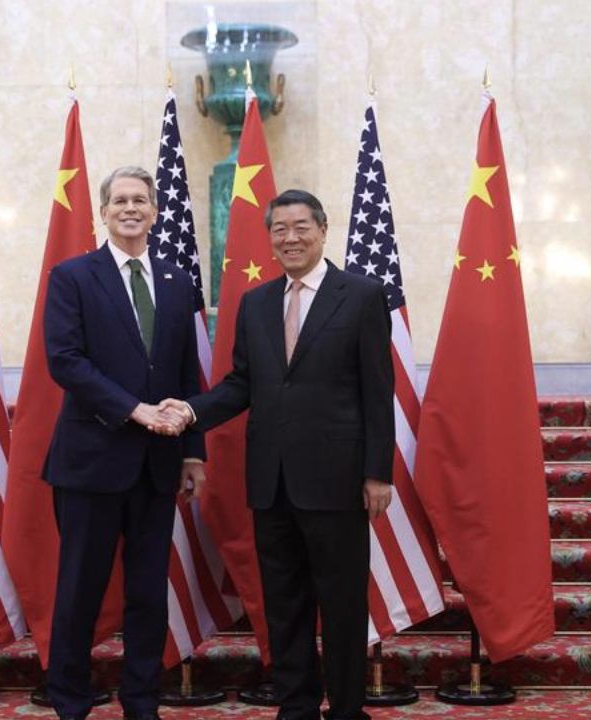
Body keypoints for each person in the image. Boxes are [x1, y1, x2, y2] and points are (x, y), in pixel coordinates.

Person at [159, 189, 394, 720]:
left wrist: (378, 472)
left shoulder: (359, 295)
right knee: (284, 606)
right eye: (279, 229)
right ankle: (297, 707)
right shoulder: (257, 302)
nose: (290, 238)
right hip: (271, 481)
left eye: (300, 227)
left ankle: (348, 708)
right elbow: (242, 383)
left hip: (339, 481)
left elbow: (379, 392)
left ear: (322, 229)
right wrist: (191, 412)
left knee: (341, 606)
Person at [41, 166, 205, 720]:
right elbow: (64, 361)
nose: (130, 208)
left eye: (140, 200)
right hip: (91, 462)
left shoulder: (179, 281)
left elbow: (188, 370)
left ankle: (141, 700)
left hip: (159, 466)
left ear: (155, 211)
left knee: (147, 595)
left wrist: (194, 450)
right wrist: (133, 410)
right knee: (80, 590)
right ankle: (68, 698)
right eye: (119, 201)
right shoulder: (72, 276)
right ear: (102, 214)